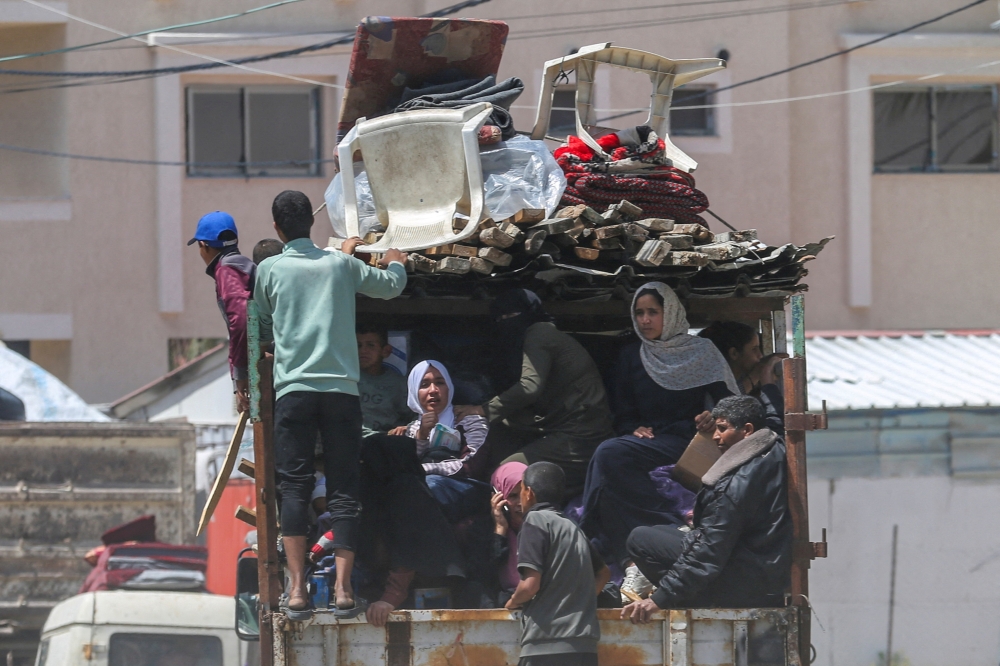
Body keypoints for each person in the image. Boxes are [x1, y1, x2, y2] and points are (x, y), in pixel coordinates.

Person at [253, 190, 407, 619]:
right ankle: (343, 591)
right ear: (311, 223)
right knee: (344, 489)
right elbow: (392, 287)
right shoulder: (340, 264)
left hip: (294, 393)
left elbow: (260, 321)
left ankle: (296, 591)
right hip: (341, 394)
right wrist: (396, 259)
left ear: (277, 228)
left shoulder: (269, 269)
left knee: (295, 488)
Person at [580, 282, 739, 599]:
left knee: (609, 454)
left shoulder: (702, 351)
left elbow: (730, 405)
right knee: (610, 460)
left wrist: (712, 418)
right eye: (639, 313)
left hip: (689, 441)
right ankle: (634, 559)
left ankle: (587, 528)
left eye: (653, 312)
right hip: (649, 442)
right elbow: (622, 412)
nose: (645, 320)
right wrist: (633, 428)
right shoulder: (632, 356)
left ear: (671, 313)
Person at [621, 395, 791, 622]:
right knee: (659, 532)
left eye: (722, 428)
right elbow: (776, 418)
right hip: (762, 569)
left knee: (640, 540)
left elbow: (709, 551)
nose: (716, 436)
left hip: (744, 581)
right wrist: (768, 386)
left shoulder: (735, 485)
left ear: (747, 430)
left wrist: (659, 600)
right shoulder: (774, 445)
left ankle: (699, 600)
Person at [455, 289, 614, 498]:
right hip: (562, 430)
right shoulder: (531, 339)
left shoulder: (539, 333)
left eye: (512, 315)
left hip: (581, 435)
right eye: (500, 318)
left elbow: (529, 387)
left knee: (506, 475)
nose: (506, 322)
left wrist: (482, 409)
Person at [506, 462, 611, 666]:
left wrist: (513, 601)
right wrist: (578, 602)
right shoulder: (572, 526)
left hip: (546, 645)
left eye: (521, 491)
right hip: (584, 647)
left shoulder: (535, 520)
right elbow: (603, 573)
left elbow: (529, 586)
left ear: (529, 493)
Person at [391, 360, 491, 523]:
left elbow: (471, 466)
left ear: (449, 388)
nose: (433, 390)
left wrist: (424, 469)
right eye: (424, 385)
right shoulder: (413, 428)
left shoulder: (469, 420)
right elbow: (407, 466)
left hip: (466, 487)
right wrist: (422, 436)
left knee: (429, 485)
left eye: (439, 383)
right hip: (426, 485)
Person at [188, 211, 255, 414]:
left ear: (204, 245)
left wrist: (240, 376)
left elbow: (241, 321)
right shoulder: (245, 265)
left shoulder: (226, 270)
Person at [698, 320, 786, 433]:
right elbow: (729, 404)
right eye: (754, 349)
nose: (760, 355)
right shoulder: (710, 389)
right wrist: (761, 377)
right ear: (734, 353)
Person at [356, 324, 412, 437]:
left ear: (386, 351)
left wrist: (406, 427)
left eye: (370, 345)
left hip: (387, 439)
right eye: (358, 345)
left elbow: (413, 415)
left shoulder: (398, 383)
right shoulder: (348, 379)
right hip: (354, 439)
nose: (363, 351)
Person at [489, 461, 528, 606]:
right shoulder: (482, 530)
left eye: (524, 494)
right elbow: (486, 575)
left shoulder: (544, 527)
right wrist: (500, 530)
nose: (520, 503)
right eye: (513, 496)